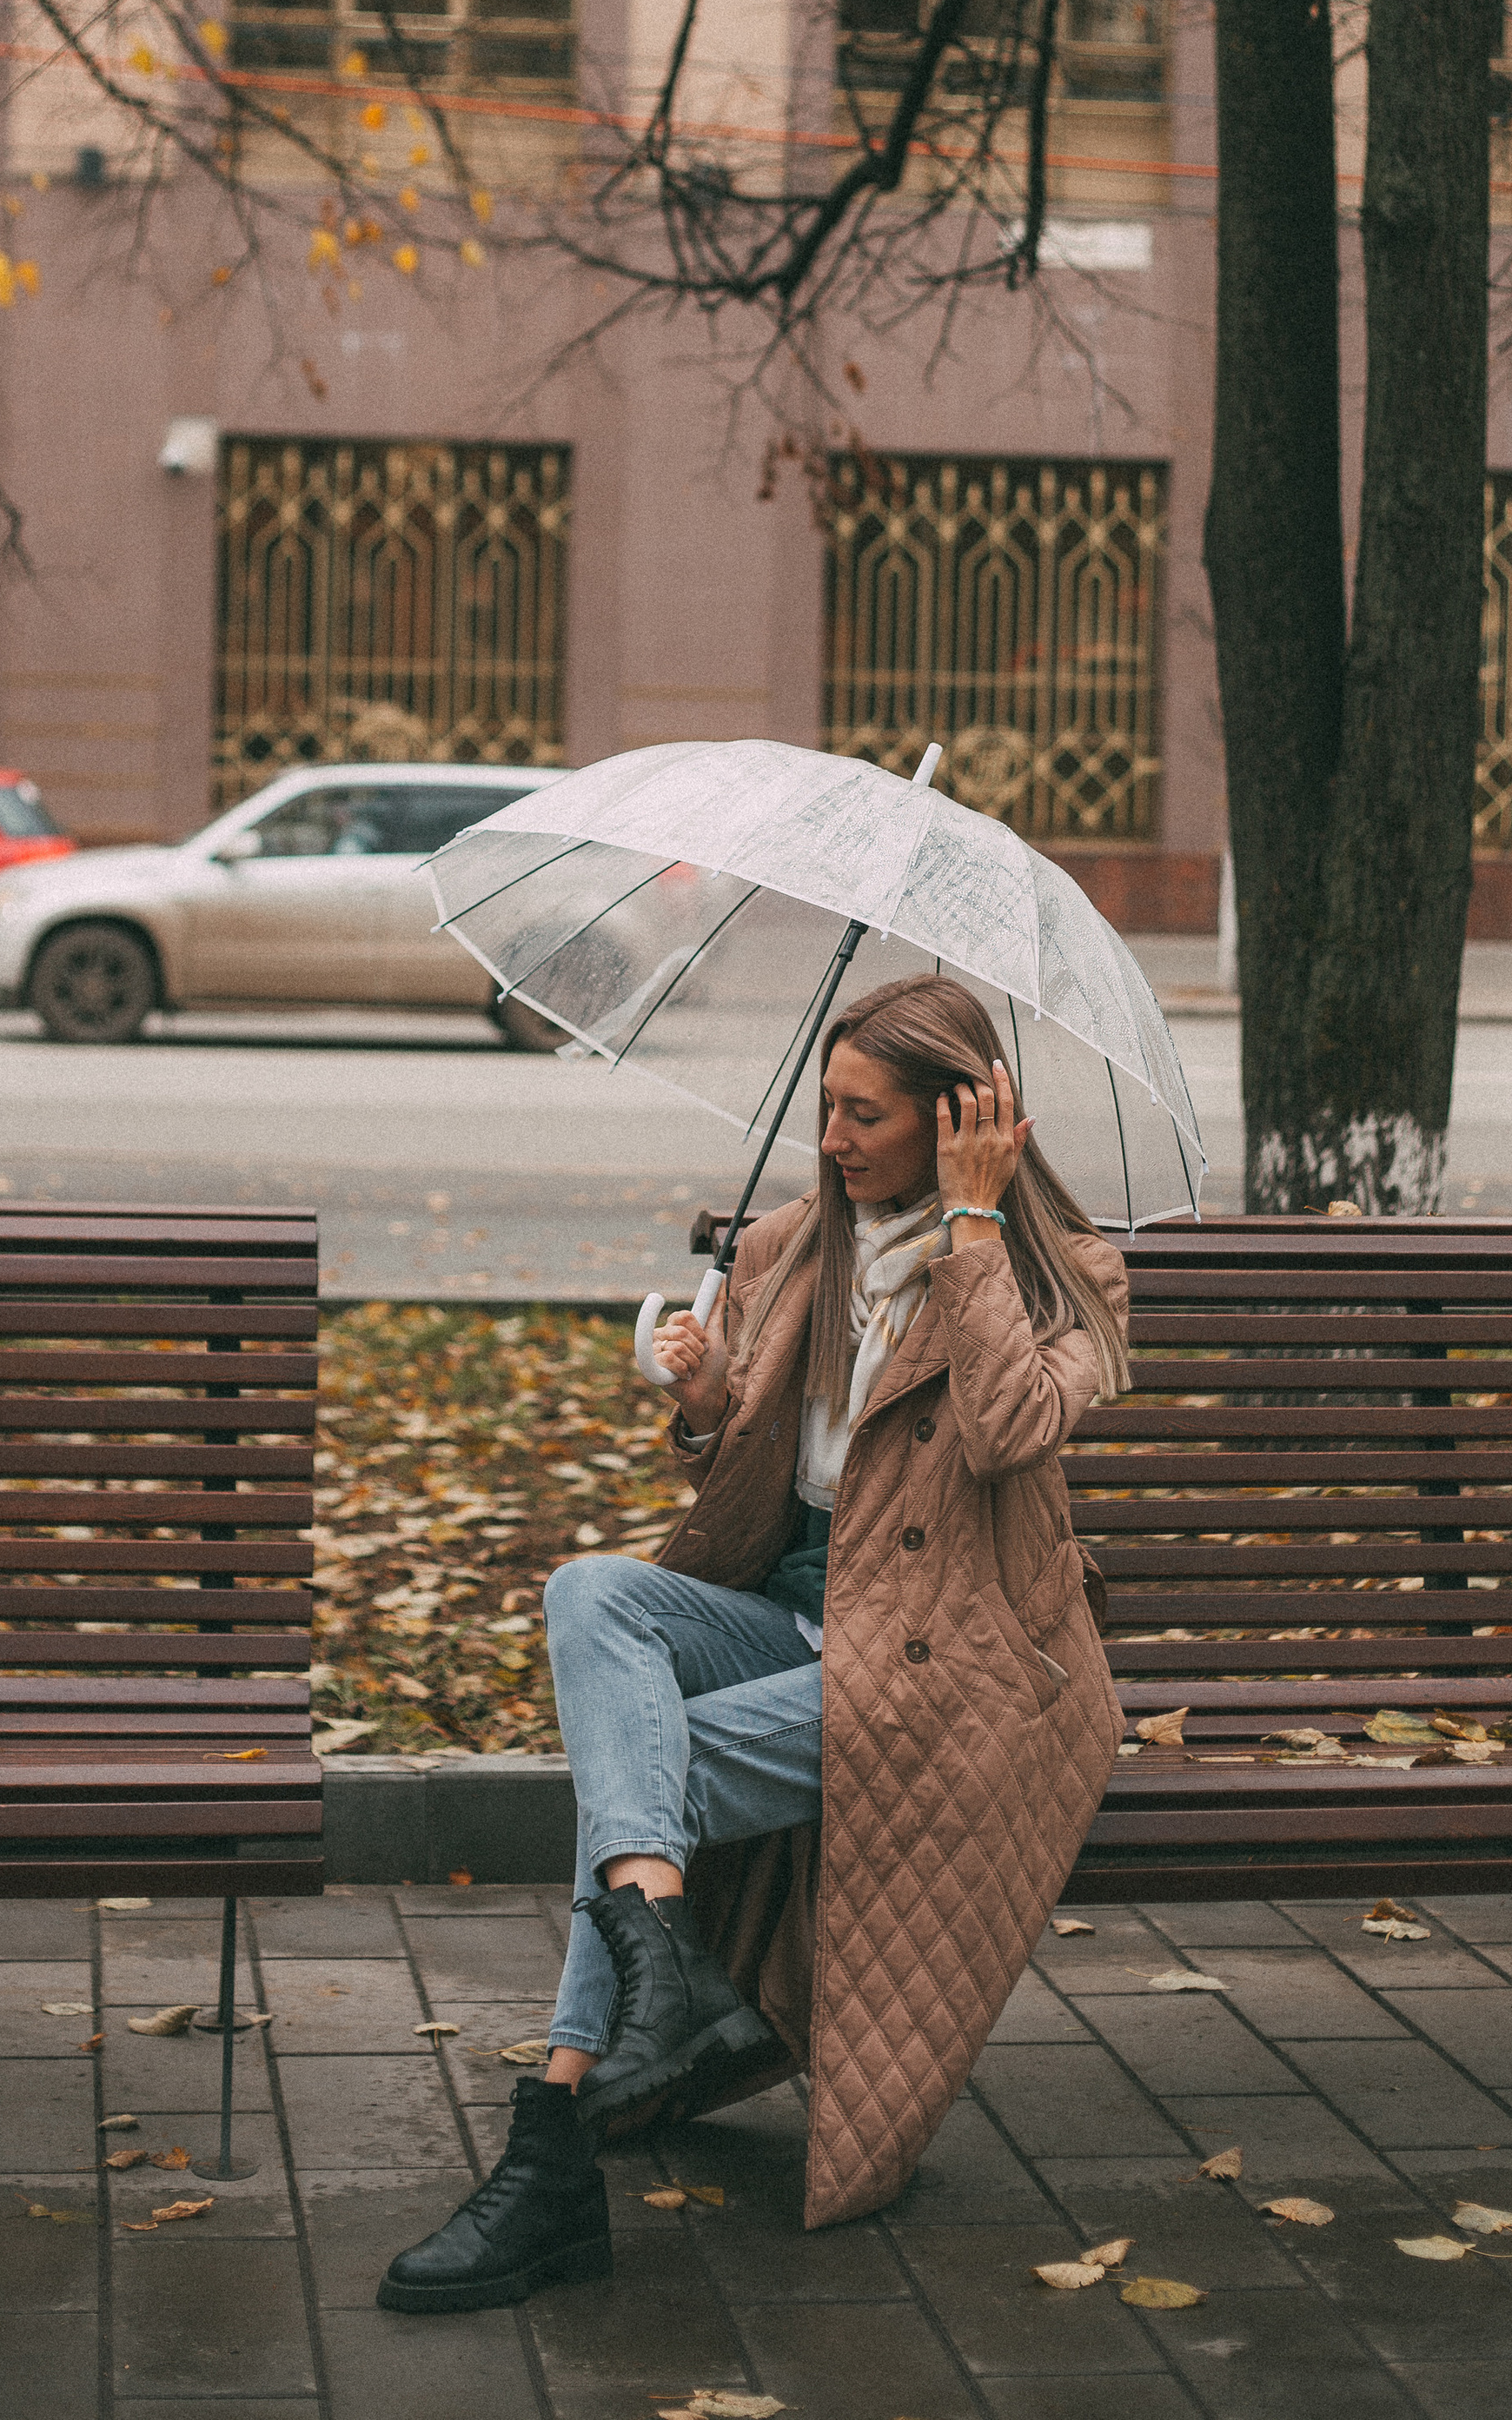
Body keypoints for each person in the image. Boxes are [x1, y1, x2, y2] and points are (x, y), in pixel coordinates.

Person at [379, 971, 1130, 2314]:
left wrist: (971, 1230)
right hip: (787, 1610)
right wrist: (712, 1405)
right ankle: (665, 1966)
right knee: (592, 1595)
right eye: (826, 1107)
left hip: (949, 1660)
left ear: (958, 1121)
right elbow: (741, 1479)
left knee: (641, 1780)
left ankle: (550, 2149)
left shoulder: (1069, 1278)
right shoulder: (796, 1246)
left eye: (863, 1115)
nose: (830, 1140)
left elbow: (1007, 1429)